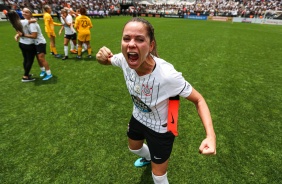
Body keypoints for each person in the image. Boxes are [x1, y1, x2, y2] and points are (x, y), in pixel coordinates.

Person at [96, 17, 216, 184]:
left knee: (158, 177)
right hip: (138, 117)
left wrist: (210, 136)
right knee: (134, 148)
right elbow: (107, 60)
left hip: (162, 129)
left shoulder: (167, 75)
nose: (131, 44)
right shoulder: (124, 60)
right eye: (126, 38)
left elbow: (199, 100)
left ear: (151, 46)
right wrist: (101, 58)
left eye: (139, 39)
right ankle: (149, 157)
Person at [17, 8, 53, 81]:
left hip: (40, 42)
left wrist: (23, 35)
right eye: (23, 12)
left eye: (26, 12)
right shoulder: (27, 21)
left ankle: (49, 74)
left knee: (41, 58)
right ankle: (43, 70)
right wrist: (17, 35)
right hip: (35, 43)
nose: (24, 13)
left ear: (30, 14)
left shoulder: (32, 24)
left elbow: (34, 36)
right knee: (38, 58)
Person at [7, 10, 36, 82]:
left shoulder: (13, 23)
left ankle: (26, 73)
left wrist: (17, 35)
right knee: (30, 60)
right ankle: (25, 76)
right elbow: (34, 20)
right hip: (29, 43)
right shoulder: (22, 22)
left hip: (22, 43)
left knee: (25, 59)